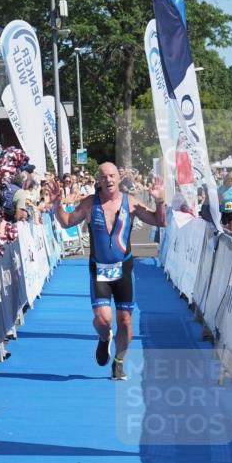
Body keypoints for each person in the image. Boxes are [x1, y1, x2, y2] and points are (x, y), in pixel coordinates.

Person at [47, 162, 166, 380]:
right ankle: (104, 338)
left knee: (126, 321)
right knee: (103, 321)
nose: (108, 180)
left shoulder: (131, 203)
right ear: (98, 181)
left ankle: (119, 362)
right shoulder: (90, 204)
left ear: (119, 178)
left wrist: (159, 201)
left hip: (124, 269)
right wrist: (57, 205)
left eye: (112, 176)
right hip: (99, 270)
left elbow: (160, 221)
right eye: (104, 177)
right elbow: (66, 223)